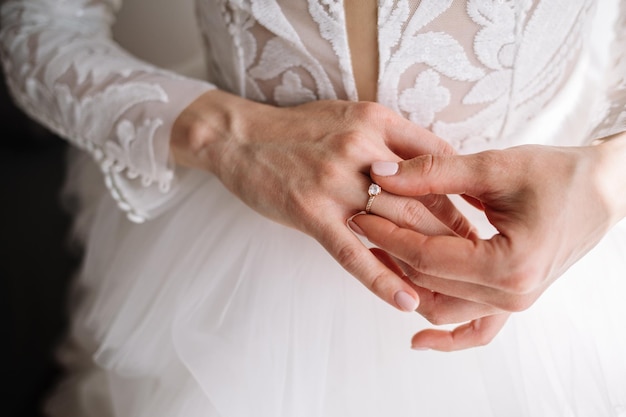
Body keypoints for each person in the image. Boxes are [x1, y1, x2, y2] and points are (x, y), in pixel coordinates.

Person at [1, 0, 625, 416]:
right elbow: (37, 26)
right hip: (230, 255)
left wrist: (604, 180)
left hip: (544, 263)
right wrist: (225, 136)